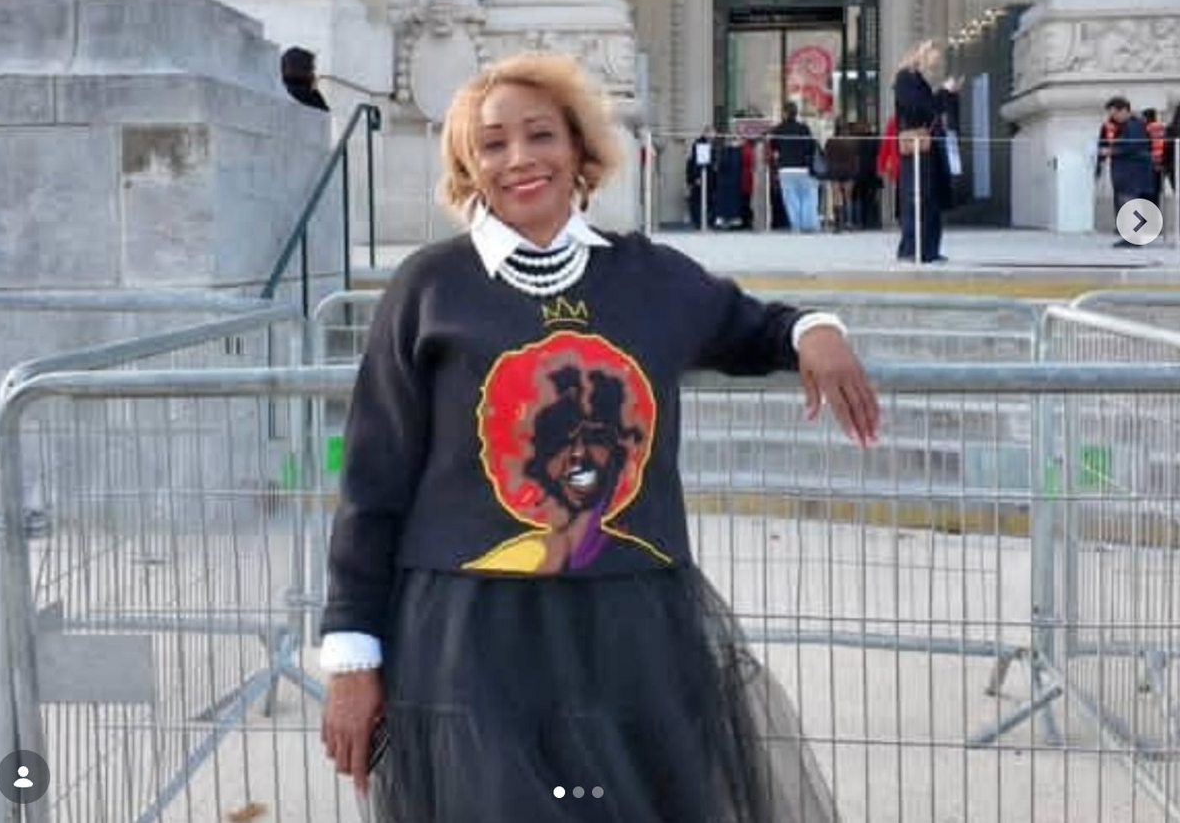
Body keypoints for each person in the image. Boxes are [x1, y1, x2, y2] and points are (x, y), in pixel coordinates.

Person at [320, 52, 879, 823]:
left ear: (580, 148)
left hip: (629, 633)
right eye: (492, 144)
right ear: (469, 167)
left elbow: (755, 327)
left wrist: (814, 331)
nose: (519, 158)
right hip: (469, 641)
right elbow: (372, 480)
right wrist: (352, 652)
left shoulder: (651, 278)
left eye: (540, 134)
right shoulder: (429, 288)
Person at [892, 40, 952, 262]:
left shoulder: (917, 79)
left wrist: (946, 94)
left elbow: (931, 108)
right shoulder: (905, 78)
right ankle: (912, 249)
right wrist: (943, 93)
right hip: (917, 146)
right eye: (932, 55)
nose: (935, 61)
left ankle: (928, 249)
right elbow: (918, 108)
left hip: (928, 146)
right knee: (918, 196)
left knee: (929, 198)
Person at [1102, 96, 1154, 247]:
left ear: (1124, 110)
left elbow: (1132, 146)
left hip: (1131, 172)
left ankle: (1134, 238)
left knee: (1130, 204)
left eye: (1115, 114)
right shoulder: (1129, 125)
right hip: (1128, 172)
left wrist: (1111, 151)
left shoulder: (1133, 125)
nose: (1114, 118)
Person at [768, 102, 820, 232]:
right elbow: (811, 146)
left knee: (791, 199)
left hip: (785, 169)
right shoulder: (804, 128)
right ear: (796, 113)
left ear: (785, 113)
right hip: (803, 167)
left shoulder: (778, 129)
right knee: (807, 196)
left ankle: (796, 225)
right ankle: (808, 224)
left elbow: (773, 146)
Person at [824, 120, 860, 232]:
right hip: (849, 171)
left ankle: (838, 224)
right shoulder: (853, 141)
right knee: (848, 197)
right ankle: (849, 222)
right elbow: (856, 156)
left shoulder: (831, 141)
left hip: (835, 170)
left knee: (836, 197)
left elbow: (826, 155)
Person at [281, 46, 330, 111]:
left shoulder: (306, 90)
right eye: (309, 68)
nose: (313, 73)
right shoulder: (300, 93)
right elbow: (323, 112)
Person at [1144, 108, 1166, 207]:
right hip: (1160, 163)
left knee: (1148, 193)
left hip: (1149, 164)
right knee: (1157, 192)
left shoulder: (1146, 128)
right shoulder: (1162, 128)